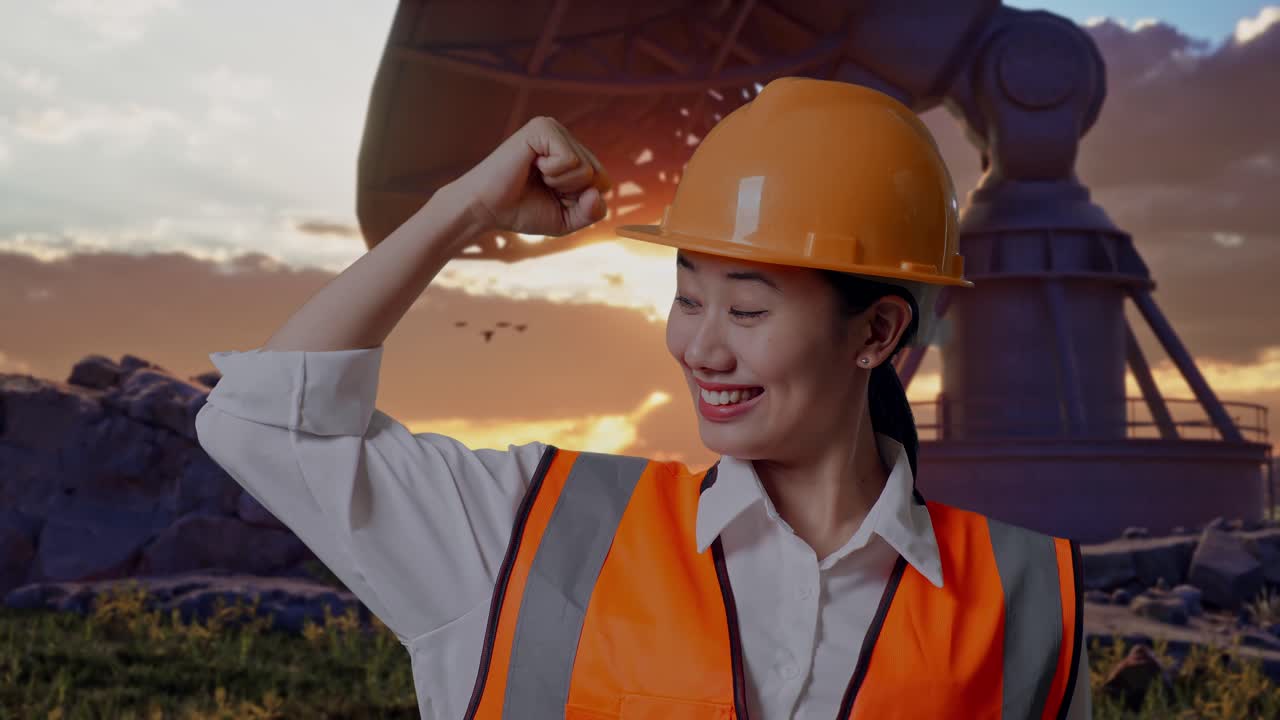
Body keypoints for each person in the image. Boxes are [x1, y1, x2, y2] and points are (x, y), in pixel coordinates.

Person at [195, 77, 1091, 719]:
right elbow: (264, 421)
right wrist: (463, 208)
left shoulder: (1031, 603)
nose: (699, 346)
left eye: (746, 307)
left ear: (876, 334)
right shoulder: (526, 531)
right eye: (687, 295)